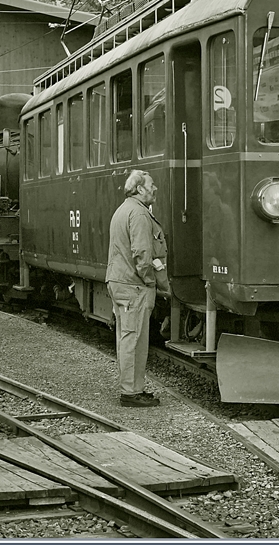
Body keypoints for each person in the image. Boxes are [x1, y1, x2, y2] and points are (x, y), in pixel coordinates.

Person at [106, 169, 168, 407]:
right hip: (134, 285)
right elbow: (142, 253)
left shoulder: (123, 210)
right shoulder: (139, 214)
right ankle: (130, 393)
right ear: (140, 189)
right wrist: (150, 280)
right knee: (134, 339)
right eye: (151, 184)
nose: (155, 188)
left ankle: (133, 388)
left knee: (127, 338)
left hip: (119, 281)